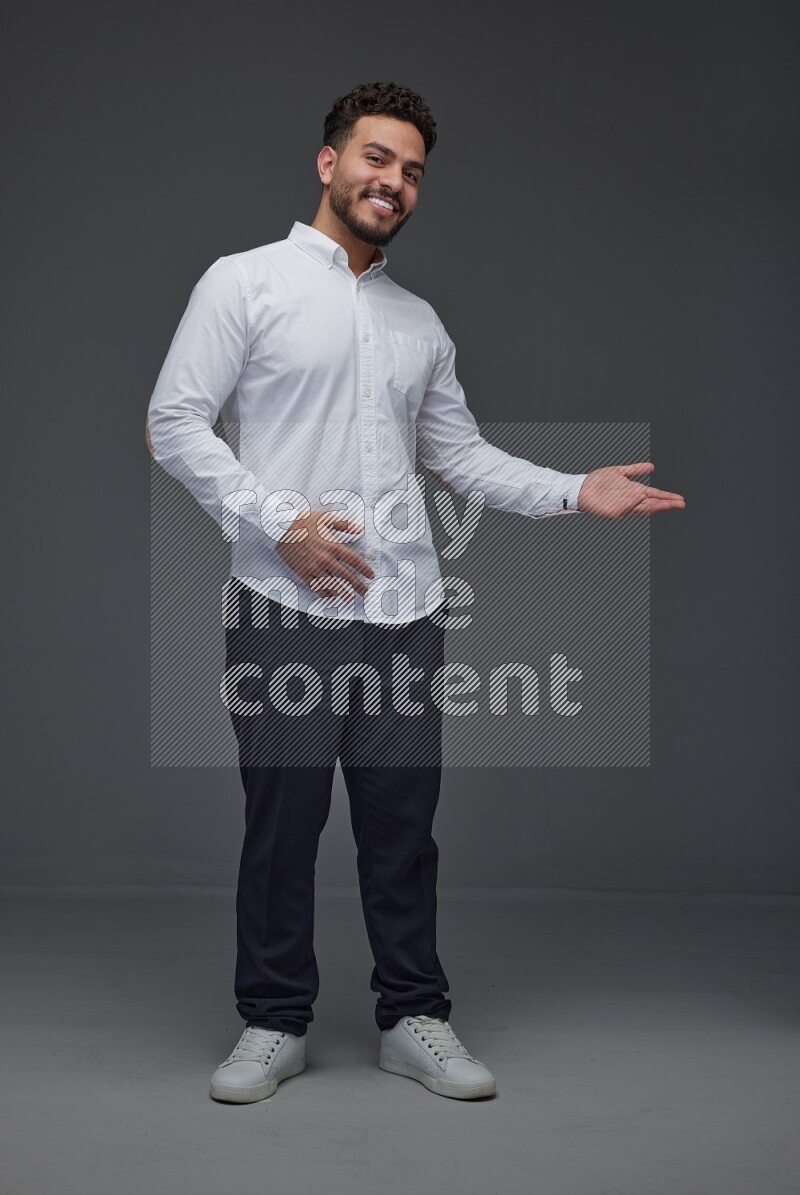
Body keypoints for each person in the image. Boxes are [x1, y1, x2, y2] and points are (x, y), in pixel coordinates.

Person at [146, 80, 686, 1104]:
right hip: (279, 608)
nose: (391, 181)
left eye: (409, 171)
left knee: (403, 826)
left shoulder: (417, 322)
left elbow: (460, 459)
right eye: (375, 158)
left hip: (404, 616)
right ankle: (271, 1019)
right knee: (282, 820)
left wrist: (578, 490)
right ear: (328, 161)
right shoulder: (243, 284)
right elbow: (173, 423)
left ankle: (414, 1014)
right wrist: (282, 521)